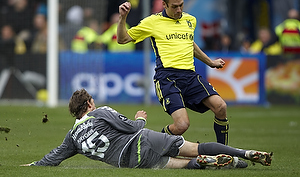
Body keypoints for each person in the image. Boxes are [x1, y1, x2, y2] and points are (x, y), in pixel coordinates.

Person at [21, 88, 272, 169]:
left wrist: (31, 166)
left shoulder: (72, 138)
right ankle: (243, 154)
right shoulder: (100, 112)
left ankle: (221, 163)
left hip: (132, 161)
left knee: (185, 165)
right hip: (143, 139)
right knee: (195, 148)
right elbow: (130, 127)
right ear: (89, 104)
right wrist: (140, 119)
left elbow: (53, 158)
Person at [117, 0, 229, 145]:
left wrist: (210, 62)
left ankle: (223, 152)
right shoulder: (152, 22)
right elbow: (122, 39)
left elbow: (190, 44)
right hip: (167, 78)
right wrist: (123, 18)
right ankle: (152, 145)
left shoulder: (190, 20)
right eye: (174, 6)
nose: (179, 10)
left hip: (190, 76)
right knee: (182, 125)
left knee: (221, 107)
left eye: (181, 5)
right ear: (164, 4)